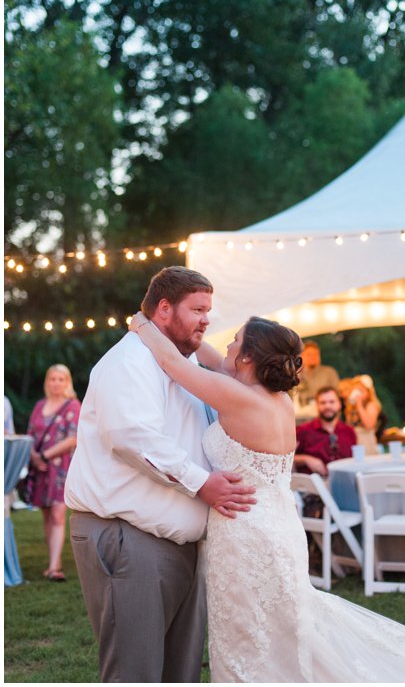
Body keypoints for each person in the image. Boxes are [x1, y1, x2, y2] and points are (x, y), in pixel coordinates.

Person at [128, 310, 405, 682]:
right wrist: (190, 330)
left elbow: (173, 364)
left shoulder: (237, 397)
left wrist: (144, 322)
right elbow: (214, 360)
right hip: (276, 526)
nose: (228, 346)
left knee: (252, 631)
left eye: (235, 340)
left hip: (248, 533)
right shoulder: (275, 399)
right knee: (279, 630)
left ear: (249, 358)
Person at [64, 266, 256, 682]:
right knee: (136, 671)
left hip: (179, 545)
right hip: (128, 537)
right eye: (198, 309)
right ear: (164, 309)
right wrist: (203, 484)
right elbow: (134, 439)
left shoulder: (182, 364)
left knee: (179, 672)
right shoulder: (128, 362)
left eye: (209, 309)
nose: (207, 319)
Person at [24, 364, 81, 581]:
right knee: (47, 514)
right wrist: (35, 458)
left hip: (60, 467)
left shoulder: (73, 406)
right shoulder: (40, 405)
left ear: (67, 382)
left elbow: (73, 437)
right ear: (47, 382)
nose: (56, 383)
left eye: (61, 379)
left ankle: (55, 567)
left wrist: (45, 456)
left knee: (58, 514)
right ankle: (51, 561)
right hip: (40, 468)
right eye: (52, 379)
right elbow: (30, 433)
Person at [294, 387, 356, 475]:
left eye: (332, 402)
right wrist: (305, 459)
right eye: (323, 402)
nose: (327, 406)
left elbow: (355, 461)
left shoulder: (349, 432)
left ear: (340, 404)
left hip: (343, 483)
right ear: (317, 405)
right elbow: (286, 458)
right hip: (313, 485)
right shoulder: (303, 431)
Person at [293, 341, 341, 418]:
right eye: (309, 354)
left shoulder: (329, 372)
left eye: (315, 354)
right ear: (302, 356)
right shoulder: (295, 375)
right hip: (301, 416)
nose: (313, 357)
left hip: (325, 414)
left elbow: (337, 395)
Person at [340, 374, 383, 455]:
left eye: (361, 391)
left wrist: (359, 406)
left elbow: (369, 425)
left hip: (366, 441)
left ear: (368, 392)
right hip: (354, 441)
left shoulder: (371, 405)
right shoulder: (351, 407)